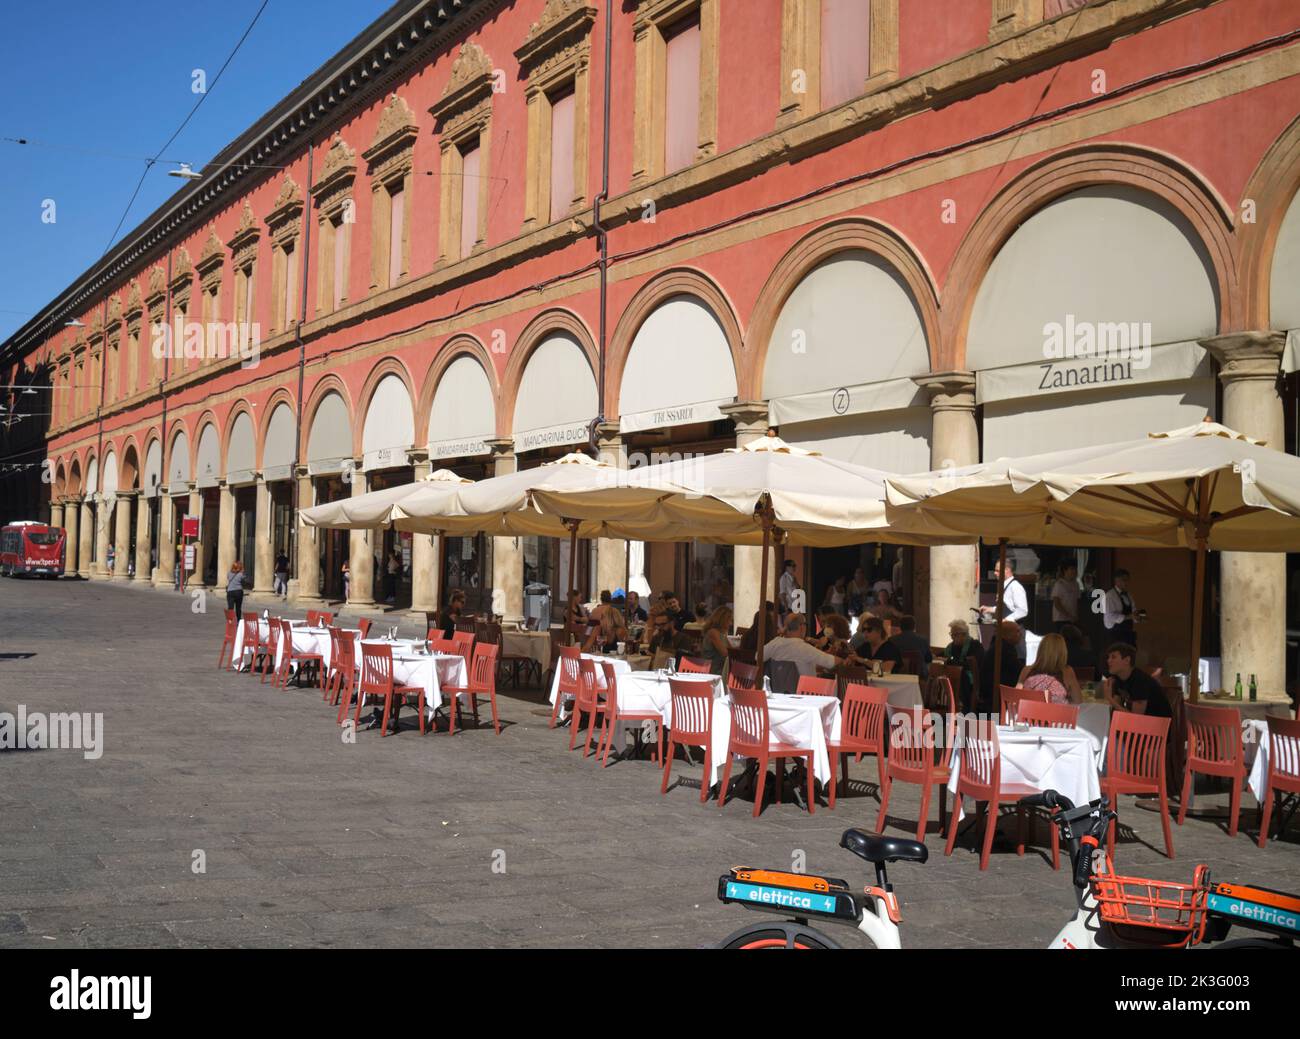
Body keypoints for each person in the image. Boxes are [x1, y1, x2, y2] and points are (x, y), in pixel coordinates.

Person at [1104, 642, 1171, 718]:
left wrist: (1109, 698)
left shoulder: (1140, 680)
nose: (1108, 660)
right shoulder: (1118, 678)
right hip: (1140, 723)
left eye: (1113, 657)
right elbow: (1117, 708)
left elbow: (1136, 718)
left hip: (1157, 724)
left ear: (1127, 660)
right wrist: (1111, 698)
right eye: (1108, 657)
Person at [763, 613, 839, 678]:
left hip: (776, 692)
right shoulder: (804, 648)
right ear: (802, 627)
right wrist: (844, 660)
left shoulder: (775, 643)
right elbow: (832, 662)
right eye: (805, 624)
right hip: (804, 692)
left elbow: (758, 656)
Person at [1017, 632, 1081, 704]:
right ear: (1063, 652)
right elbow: (1078, 701)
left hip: (1029, 714)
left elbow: (1016, 697)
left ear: (1041, 649)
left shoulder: (1026, 671)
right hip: (1056, 714)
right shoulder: (1067, 671)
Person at [943, 618, 985, 711]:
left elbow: (974, 665)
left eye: (953, 635)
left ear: (963, 635)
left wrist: (954, 663)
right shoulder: (951, 647)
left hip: (973, 680)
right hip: (956, 678)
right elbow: (944, 656)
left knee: (961, 675)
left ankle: (963, 708)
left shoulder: (975, 645)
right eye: (951, 634)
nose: (951, 637)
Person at [981, 620, 1024, 711]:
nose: (1020, 634)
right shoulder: (1004, 648)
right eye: (1017, 631)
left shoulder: (998, 644)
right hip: (995, 693)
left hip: (990, 689)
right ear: (1007, 634)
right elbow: (1018, 670)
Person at [980, 556, 1028, 626]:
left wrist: (1006, 620)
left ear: (1007, 570)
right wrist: (990, 609)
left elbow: (1022, 611)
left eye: (997, 571)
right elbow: (1009, 607)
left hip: (1013, 631)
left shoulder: (1016, 587)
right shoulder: (1003, 585)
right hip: (1002, 629)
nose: (995, 573)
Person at [1103, 569, 1140, 648]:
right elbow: (1110, 616)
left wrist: (1137, 616)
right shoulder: (1110, 595)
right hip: (1115, 634)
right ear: (1117, 581)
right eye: (1124, 580)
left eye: (1128, 580)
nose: (1126, 583)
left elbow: (1133, 610)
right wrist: (1129, 616)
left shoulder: (1129, 595)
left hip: (1128, 633)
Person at [698, 606, 733, 675]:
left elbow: (731, 652)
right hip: (713, 671)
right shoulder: (713, 633)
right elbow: (725, 653)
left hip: (720, 669)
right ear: (723, 620)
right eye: (730, 620)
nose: (731, 624)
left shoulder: (721, 633)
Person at [1051, 561, 1080, 630]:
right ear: (1065, 571)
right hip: (1060, 620)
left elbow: (1076, 601)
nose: (1074, 571)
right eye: (1072, 569)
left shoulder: (1076, 584)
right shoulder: (1059, 584)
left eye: (1075, 569)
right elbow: (1057, 603)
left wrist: (1076, 615)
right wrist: (1068, 616)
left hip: (1073, 619)